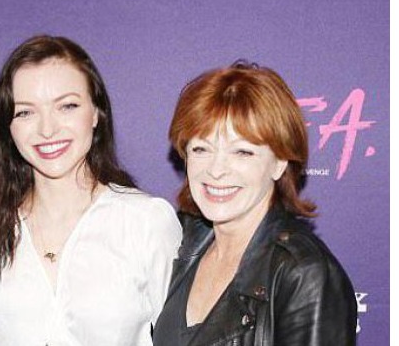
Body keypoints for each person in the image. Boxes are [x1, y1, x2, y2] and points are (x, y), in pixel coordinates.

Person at [0, 35, 182, 346]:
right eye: (25, 112)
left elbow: (181, 338)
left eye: (67, 106)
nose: (47, 129)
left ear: (96, 113)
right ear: (7, 127)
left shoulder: (145, 221)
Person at [153, 61, 357, 345]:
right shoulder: (184, 241)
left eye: (242, 152)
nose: (216, 170)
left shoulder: (305, 274)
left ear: (279, 163)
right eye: (201, 149)